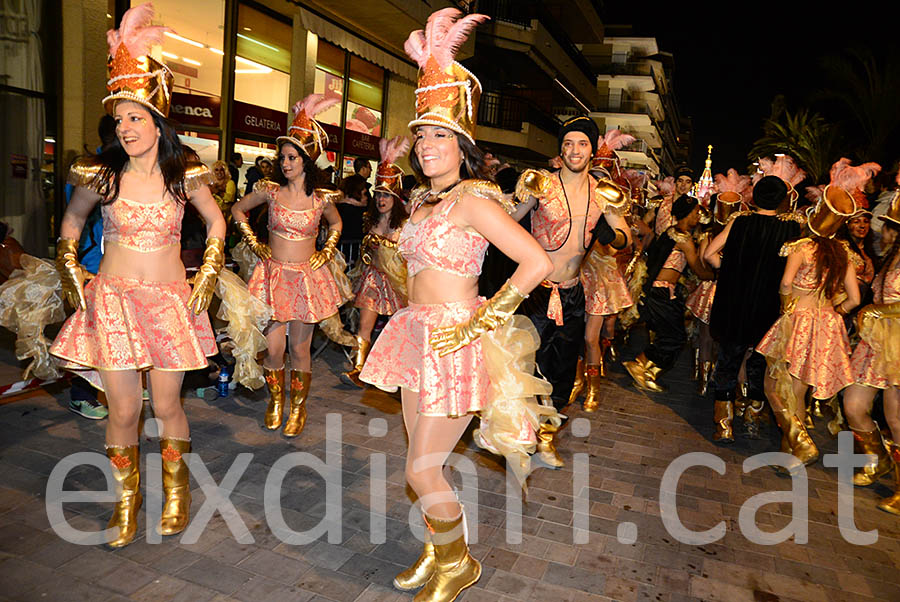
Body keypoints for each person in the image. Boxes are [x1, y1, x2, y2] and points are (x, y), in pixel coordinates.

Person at [359, 9, 554, 601]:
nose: (426, 145)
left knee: (421, 468)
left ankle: (460, 562)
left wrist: (483, 321)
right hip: (415, 335)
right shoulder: (422, 205)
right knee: (421, 462)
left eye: (439, 135)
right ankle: (435, 552)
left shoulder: (474, 201)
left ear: (463, 143)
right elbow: (413, 272)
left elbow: (536, 262)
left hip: (453, 340)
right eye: (420, 135)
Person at [49, 5, 226, 547]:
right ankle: (128, 502)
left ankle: (176, 493)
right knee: (124, 406)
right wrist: (70, 268)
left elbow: (218, 221)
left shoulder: (185, 175)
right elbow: (72, 223)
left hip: (171, 302)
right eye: (119, 119)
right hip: (114, 303)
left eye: (135, 117)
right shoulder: (99, 175)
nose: (125, 128)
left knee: (167, 404)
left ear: (158, 121)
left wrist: (210, 273)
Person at [511, 116, 630, 467]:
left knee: (561, 371)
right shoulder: (539, 183)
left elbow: (624, 236)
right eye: (568, 144)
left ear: (592, 150)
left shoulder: (605, 194)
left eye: (582, 144)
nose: (574, 150)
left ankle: (545, 439)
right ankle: (519, 437)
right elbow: (508, 220)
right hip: (533, 291)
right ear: (560, 150)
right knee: (522, 367)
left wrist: (615, 237)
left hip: (573, 295)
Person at [232, 94, 353, 438]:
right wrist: (255, 243)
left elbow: (338, 224)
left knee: (300, 348)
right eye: (282, 157)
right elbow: (237, 210)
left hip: (306, 278)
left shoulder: (321, 199)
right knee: (274, 348)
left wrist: (327, 250)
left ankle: (297, 407)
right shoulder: (269, 191)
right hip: (272, 276)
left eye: (291, 157)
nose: (285, 163)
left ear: (306, 160)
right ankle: (275, 400)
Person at [756, 185, 861, 470]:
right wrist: (835, 310)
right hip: (827, 326)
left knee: (774, 386)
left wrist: (785, 305)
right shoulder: (844, 254)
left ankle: (801, 443)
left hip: (798, 321)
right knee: (798, 390)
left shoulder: (801, 248)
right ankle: (790, 455)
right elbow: (855, 299)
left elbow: (786, 283)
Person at [703, 176, 804, 442]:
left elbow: (709, 254)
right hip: (768, 307)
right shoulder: (792, 229)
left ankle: (723, 424)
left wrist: (730, 271)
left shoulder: (739, 221)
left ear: (754, 196)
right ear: (783, 199)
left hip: (735, 303)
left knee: (728, 359)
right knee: (761, 364)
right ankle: (752, 417)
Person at [569, 129, 635, 410]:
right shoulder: (576, 209)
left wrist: (610, 237)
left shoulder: (611, 219)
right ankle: (576, 381)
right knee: (573, 337)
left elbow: (622, 243)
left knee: (590, 337)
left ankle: (593, 388)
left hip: (599, 284)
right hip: (575, 280)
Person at [623, 195, 714, 392]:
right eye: (695, 213)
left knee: (670, 336)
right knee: (674, 337)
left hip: (661, 291)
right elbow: (698, 270)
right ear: (687, 214)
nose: (698, 216)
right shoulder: (684, 239)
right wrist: (716, 273)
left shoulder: (670, 232)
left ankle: (646, 371)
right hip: (661, 293)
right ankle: (640, 363)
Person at [842, 198, 900, 500]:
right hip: (875, 342)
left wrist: (879, 311)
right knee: (853, 405)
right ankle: (878, 461)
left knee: (896, 418)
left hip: (897, 346)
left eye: (889, 227)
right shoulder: (891, 256)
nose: (882, 231)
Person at [342, 136, 410, 387]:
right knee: (364, 324)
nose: (381, 200)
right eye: (378, 194)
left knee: (399, 330)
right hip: (372, 280)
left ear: (395, 198)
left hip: (398, 285)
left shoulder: (405, 225)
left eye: (386, 195)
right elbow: (365, 256)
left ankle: (396, 371)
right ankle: (358, 368)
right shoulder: (368, 220)